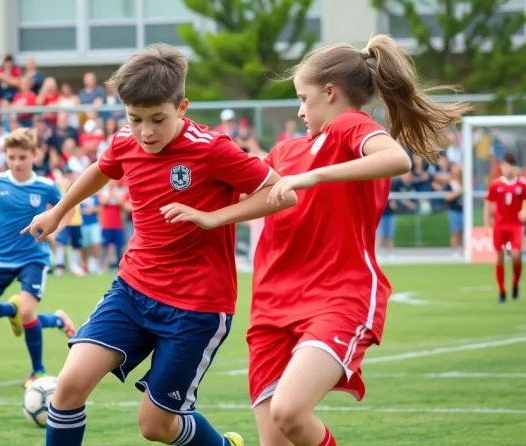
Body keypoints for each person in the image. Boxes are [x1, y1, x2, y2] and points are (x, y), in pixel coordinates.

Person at [166, 34, 469, 446]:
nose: (299, 109)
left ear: (330, 93)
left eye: (303, 98)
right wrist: (208, 213)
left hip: (337, 296)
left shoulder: (347, 127)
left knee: (290, 411)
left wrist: (315, 175)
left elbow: (396, 159)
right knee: (276, 439)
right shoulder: (287, 150)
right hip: (271, 307)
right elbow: (250, 194)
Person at [24, 44, 292, 446]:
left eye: (157, 119)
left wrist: (214, 217)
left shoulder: (212, 148)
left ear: (182, 106)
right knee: (67, 388)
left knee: (155, 427)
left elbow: (282, 193)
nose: (146, 132)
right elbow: (101, 169)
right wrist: (59, 211)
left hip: (196, 307)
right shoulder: (125, 141)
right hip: (133, 291)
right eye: (135, 119)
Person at [0, 128, 76, 387]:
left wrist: (55, 230)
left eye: (22, 157)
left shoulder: (45, 186)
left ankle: (37, 370)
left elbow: (68, 207)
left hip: (32, 258)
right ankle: (42, 316)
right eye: (11, 157)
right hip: (1, 258)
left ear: (35, 155)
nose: (16, 163)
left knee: (28, 311)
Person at [484, 152, 526, 303]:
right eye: (504, 166)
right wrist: (486, 224)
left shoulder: (522, 184)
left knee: (516, 255)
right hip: (499, 225)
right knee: (499, 257)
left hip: (515, 225)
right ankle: (502, 291)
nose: (507, 169)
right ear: (502, 167)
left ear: (514, 167)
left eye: (510, 166)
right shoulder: (496, 184)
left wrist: (525, 211)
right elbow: (488, 203)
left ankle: (515, 283)